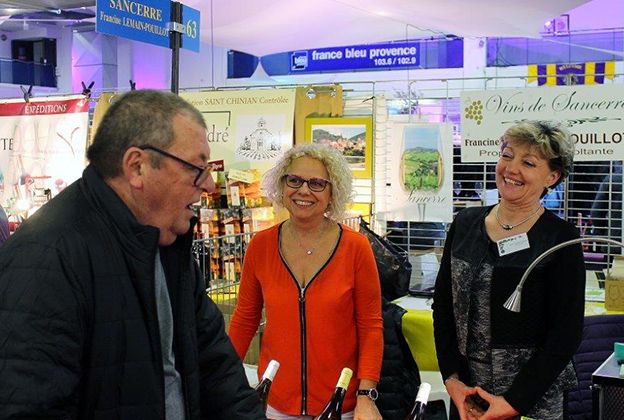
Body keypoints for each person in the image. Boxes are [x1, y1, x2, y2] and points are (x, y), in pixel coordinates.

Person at [0, 90, 265, 419]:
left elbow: (217, 370)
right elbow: (28, 405)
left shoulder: (168, 244)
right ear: (137, 167)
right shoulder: (46, 258)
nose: (209, 185)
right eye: (196, 168)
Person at [432, 120, 585, 420]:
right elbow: (444, 306)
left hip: (533, 400)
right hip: (468, 396)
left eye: (528, 163)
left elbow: (566, 334)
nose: (511, 168)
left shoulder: (560, 238)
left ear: (552, 176)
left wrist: (514, 402)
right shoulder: (465, 224)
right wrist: (451, 379)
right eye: (507, 155)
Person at [228, 143, 383, 419]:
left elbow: (370, 326)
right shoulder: (260, 246)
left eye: (317, 183)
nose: (303, 190)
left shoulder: (356, 248)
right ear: (282, 185)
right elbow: (245, 319)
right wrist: (222, 379)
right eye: (294, 180)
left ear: (332, 192)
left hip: (341, 404)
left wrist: (366, 395)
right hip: (276, 402)